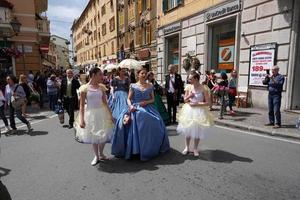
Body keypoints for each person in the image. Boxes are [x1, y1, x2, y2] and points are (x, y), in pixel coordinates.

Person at [111, 67, 170, 161]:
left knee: (156, 120)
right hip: (135, 106)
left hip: (147, 107)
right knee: (135, 118)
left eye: (145, 73)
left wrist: (146, 102)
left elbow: (153, 99)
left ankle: (148, 147)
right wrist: (130, 106)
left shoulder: (150, 85)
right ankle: (135, 148)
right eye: (142, 73)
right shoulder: (133, 85)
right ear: (138, 75)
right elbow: (128, 99)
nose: (144, 75)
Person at [74, 67, 114, 166]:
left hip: (102, 113)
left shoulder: (101, 87)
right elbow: (82, 105)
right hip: (90, 114)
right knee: (93, 136)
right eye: (100, 74)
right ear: (93, 75)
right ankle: (96, 156)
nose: (102, 76)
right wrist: (82, 120)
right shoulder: (84, 88)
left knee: (104, 134)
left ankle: (101, 153)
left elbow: (105, 103)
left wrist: (111, 115)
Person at [177, 71, 213, 156]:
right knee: (188, 130)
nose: (189, 80)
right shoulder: (189, 87)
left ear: (196, 79)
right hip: (189, 110)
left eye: (190, 78)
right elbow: (185, 100)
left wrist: (197, 103)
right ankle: (186, 147)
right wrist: (190, 96)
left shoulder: (204, 88)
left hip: (199, 111)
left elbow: (208, 103)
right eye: (189, 78)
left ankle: (195, 148)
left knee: (197, 131)